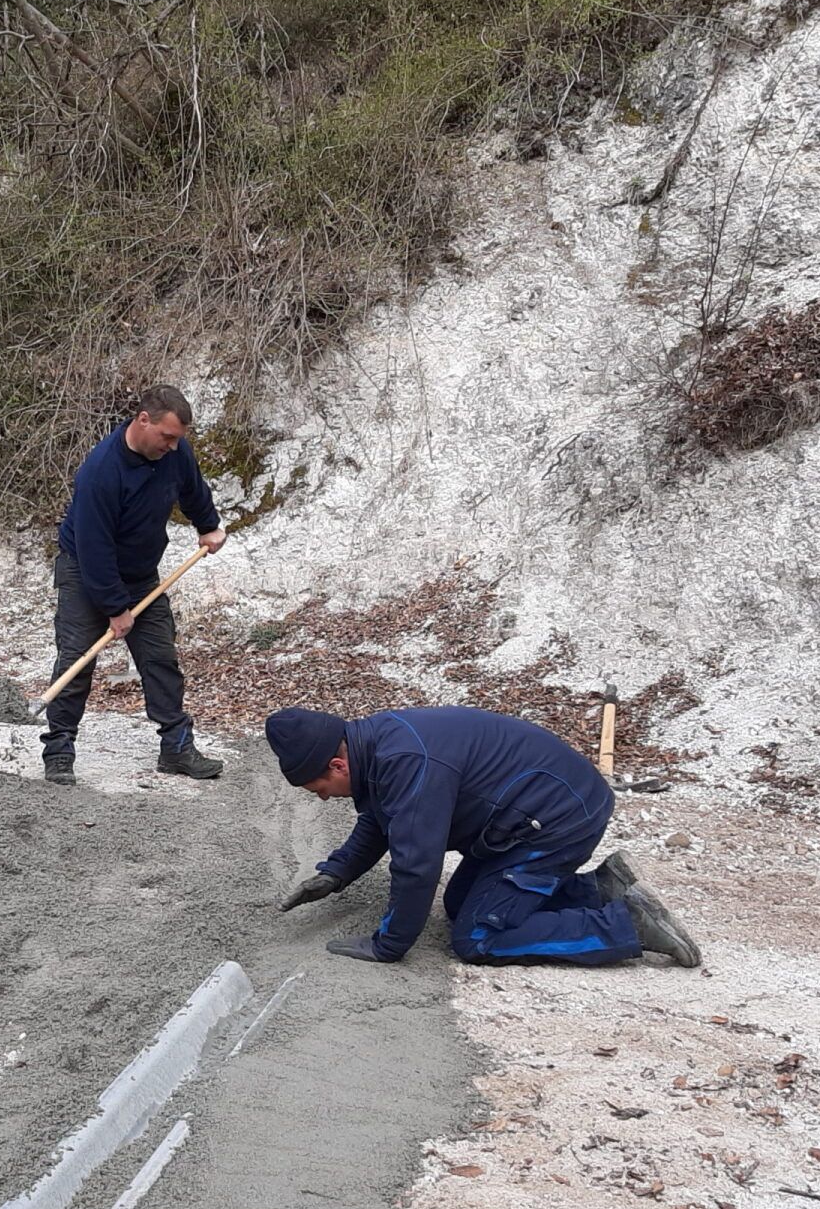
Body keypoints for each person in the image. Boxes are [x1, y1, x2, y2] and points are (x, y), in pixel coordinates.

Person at [266, 705, 701, 967]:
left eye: (319, 789)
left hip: (558, 821)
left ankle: (627, 926)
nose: (324, 798)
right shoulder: (378, 743)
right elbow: (384, 818)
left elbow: (416, 867)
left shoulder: (407, 761)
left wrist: (388, 946)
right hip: (526, 815)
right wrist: (336, 873)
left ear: (337, 765)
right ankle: (599, 888)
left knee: (476, 938)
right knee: (460, 904)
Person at [43, 386, 227, 785]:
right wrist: (115, 608)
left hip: (142, 575)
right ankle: (58, 750)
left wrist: (208, 525)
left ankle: (176, 748)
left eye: (178, 439)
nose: (173, 446)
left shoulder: (174, 453)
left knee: (160, 659)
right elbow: (94, 548)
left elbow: (192, 489)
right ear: (144, 420)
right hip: (84, 572)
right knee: (76, 660)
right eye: (167, 437)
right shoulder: (101, 471)